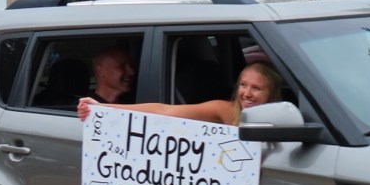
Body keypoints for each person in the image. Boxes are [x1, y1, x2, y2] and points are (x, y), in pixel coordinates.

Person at [77, 61, 282, 125]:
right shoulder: (226, 111)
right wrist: (102, 108)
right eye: (243, 85)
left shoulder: (284, 119)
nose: (246, 93)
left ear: (271, 94)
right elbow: (163, 110)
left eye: (256, 88)